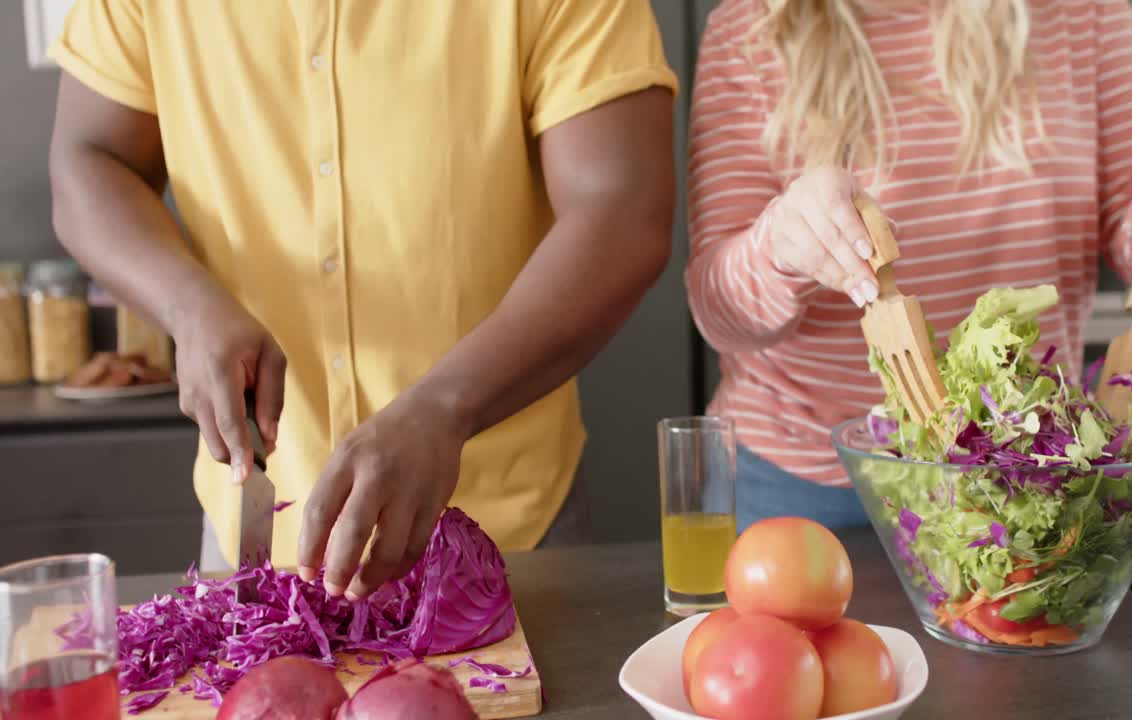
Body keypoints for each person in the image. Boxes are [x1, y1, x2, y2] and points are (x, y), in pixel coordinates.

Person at [47, 1, 677, 600]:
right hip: (254, 525)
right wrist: (187, 305)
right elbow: (91, 157)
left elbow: (622, 211)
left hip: (509, 530)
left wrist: (447, 406)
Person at [685, 0, 1132, 533]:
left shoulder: (1080, 13)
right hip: (804, 485)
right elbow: (718, 311)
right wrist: (782, 247)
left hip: (1025, 480)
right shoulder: (750, 30)